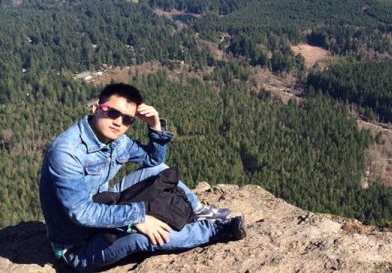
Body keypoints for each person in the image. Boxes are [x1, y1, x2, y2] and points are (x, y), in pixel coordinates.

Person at [40, 83, 246, 271]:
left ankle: (197, 210)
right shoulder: (67, 152)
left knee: (159, 170)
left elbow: (153, 160)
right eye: (112, 112)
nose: (118, 122)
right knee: (144, 235)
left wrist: (155, 125)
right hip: (78, 245)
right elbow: (81, 212)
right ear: (96, 109)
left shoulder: (118, 141)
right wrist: (137, 217)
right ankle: (215, 230)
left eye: (127, 119)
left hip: (105, 202)